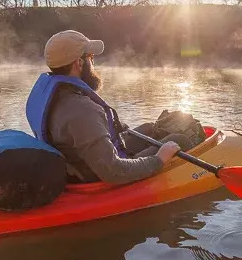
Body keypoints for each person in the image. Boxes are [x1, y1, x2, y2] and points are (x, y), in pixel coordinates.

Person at [25, 30, 189, 185]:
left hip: (77, 162)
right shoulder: (83, 110)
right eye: (90, 57)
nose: (93, 62)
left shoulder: (55, 94)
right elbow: (113, 172)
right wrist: (159, 160)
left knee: (149, 128)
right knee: (179, 140)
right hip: (95, 174)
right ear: (79, 63)